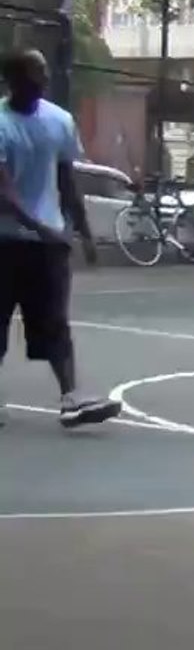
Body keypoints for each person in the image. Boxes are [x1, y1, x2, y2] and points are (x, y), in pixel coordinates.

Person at [0, 49, 120, 429]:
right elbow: (4, 192)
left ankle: (72, 399)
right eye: (35, 74)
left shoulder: (60, 120)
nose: (44, 80)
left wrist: (84, 232)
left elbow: (67, 181)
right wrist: (41, 228)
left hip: (47, 246)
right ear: (13, 81)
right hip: (5, 242)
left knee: (55, 322)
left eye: (44, 73)